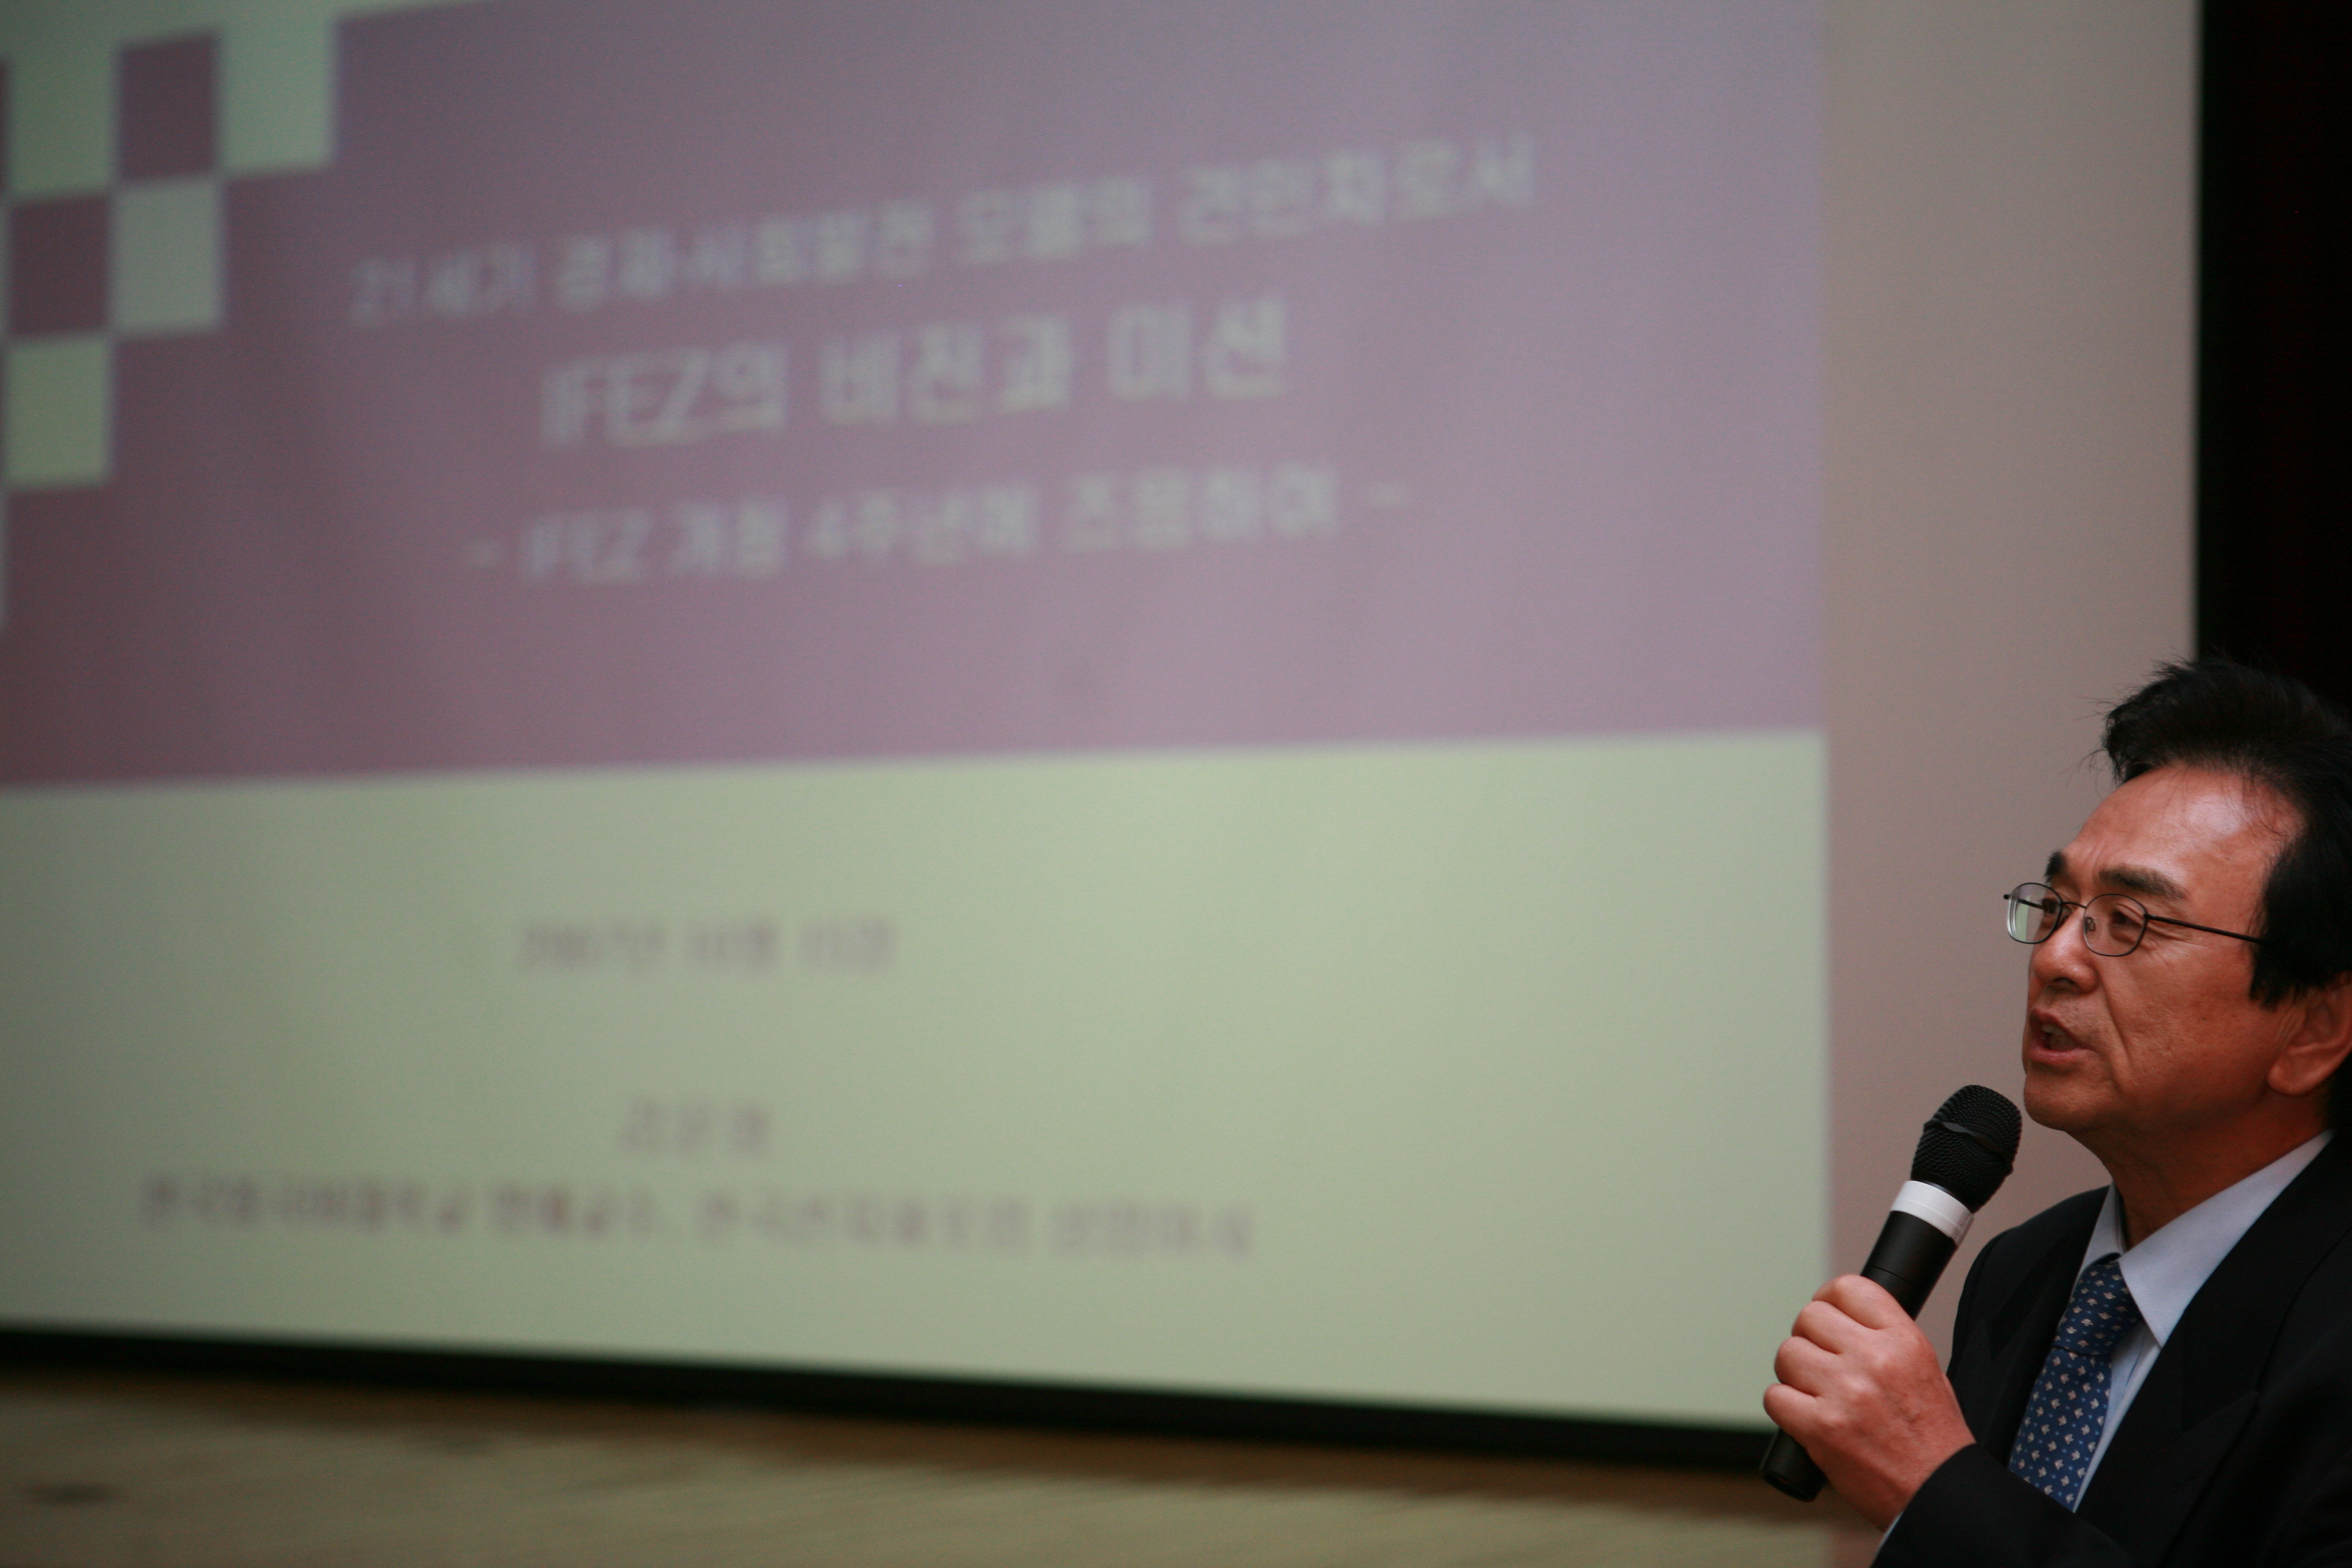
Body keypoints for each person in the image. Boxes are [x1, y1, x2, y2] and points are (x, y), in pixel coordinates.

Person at [1766, 658, 2352, 1565]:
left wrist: (1935, 1490)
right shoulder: (2025, 1271)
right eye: (2059, 905)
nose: (2056, 959)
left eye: (2131, 920)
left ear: (2313, 1028)